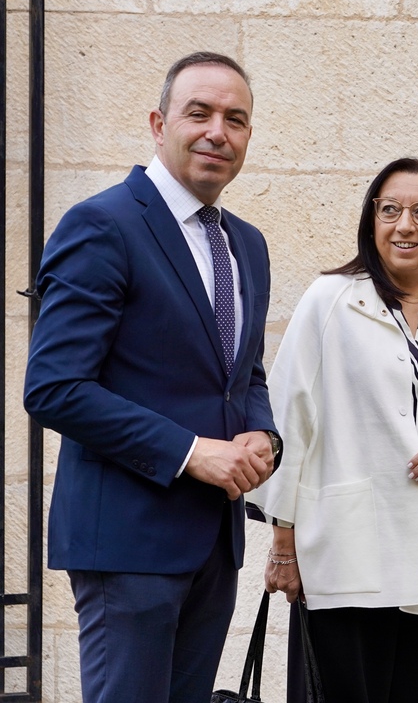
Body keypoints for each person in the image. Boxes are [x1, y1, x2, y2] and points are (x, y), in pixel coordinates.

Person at [24, 51, 279, 702]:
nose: (218, 131)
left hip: (214, 547)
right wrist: (191, 453)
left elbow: (242, 373)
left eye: (236, 119)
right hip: (128, 544)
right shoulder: (103, 225)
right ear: (158, 123)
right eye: (200, 113)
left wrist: (263, 436)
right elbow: (54, 386)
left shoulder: (246, 244)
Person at [246, 157, 418, 703]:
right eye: (391, 210)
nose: (405, 225)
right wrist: (283, 542)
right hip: (345, 556)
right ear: (371, 221)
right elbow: (287, 420)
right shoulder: (329, 300)